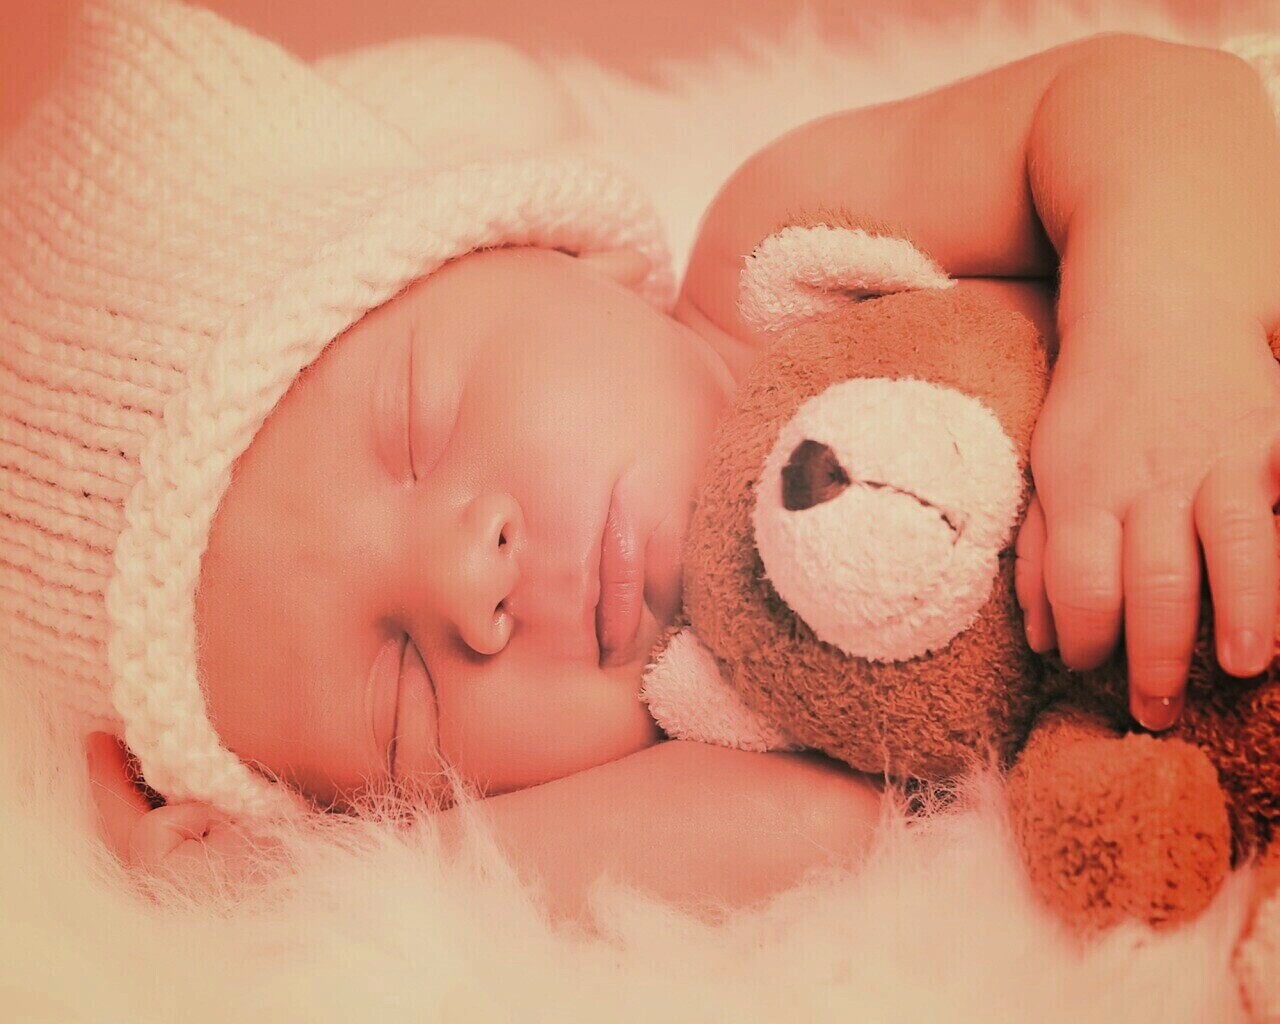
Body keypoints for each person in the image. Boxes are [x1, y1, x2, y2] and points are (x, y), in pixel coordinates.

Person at [6, 0, 1277, 922]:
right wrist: (284, 889)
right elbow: (824, 827)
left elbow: (1152, 97)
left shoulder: (777, 253)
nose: (467, 578)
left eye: (417, 427)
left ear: (553, 253)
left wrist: (1166, 323)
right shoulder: (730, 727)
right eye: (401, 698)